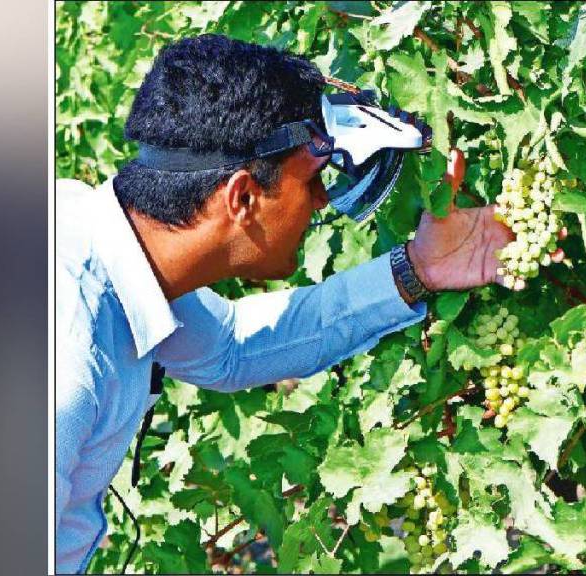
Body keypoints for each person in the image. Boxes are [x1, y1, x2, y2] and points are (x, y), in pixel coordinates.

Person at [55, 34, 512, 573]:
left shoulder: (99, 238)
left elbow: (231, 348)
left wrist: (419, 269)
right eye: (314, 181)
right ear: (243, 198)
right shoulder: (65, 361)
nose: (321, 202)